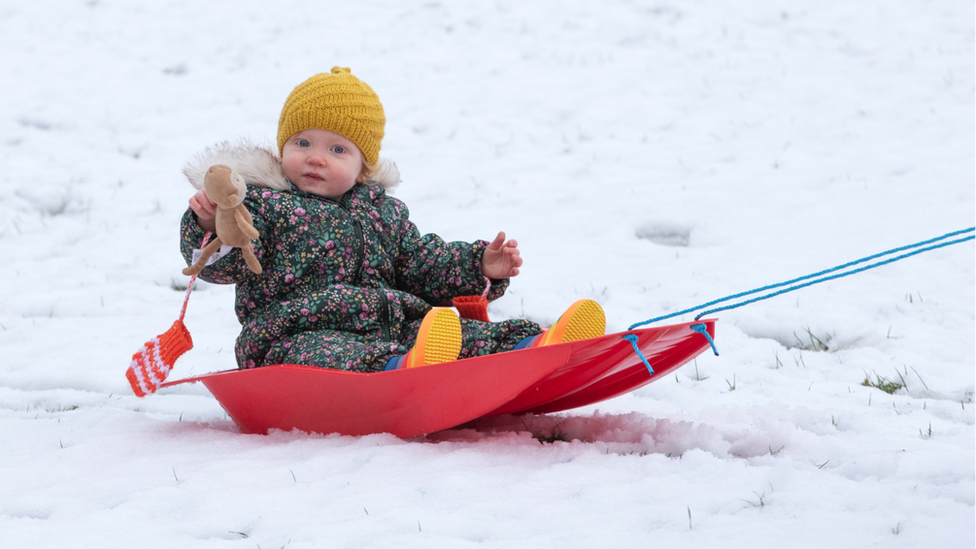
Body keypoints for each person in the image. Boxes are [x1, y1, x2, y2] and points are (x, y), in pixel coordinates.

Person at [180, 67, 605, 373]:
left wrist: (479, 266)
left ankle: (532, 346)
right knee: (324, 353)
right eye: (303, 142)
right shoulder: (262, 207)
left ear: (364, 168)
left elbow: (421, 264)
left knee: (455, 336)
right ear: (282, 148)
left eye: (337, 150)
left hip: (391, 323)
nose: (315, 157)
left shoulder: (383, 214)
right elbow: (230, 262)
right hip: (290, 336)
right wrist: (210, 226)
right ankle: (397, 370)